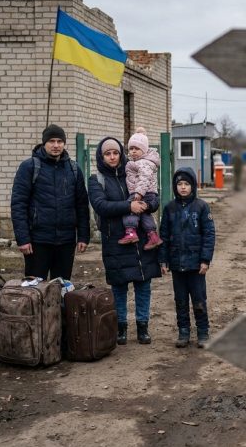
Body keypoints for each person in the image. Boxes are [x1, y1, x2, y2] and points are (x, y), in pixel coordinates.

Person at [88, 137, 161, 345]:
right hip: (116, 240)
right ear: (101, 157)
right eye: (107, 154)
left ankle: (142, 327)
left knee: (143, 285)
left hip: (140, 238)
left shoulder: (133, 170)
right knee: (119, 287)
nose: (112, 157)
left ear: (121, 153)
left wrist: (147, 205)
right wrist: (129, 207)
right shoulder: (97, 179)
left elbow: (153, 196)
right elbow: (101, 206)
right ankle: (120, 328)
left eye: (115, 153)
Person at [10, 124, 89, 280]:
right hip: (38, 240)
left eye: (60, 141)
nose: (56, 145)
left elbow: (81, 205)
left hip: (66, 241)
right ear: (44, 143)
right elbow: (19, 204)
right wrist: (23, 238)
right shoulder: (29, 167)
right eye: (51, 141)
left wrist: (83, 236)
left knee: (61, 287)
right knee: (34, 288)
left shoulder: (73, 169)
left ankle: (59, 306)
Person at [159, 167, 216, 348]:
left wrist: (205, 260)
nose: (183, 187)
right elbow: (164, 236)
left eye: (187, 184)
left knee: (199, 299)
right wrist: (163, 260)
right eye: (179, 184)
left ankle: (203, 332)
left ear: (193, 186)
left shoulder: (201, 207)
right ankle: (183, 332)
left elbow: (209, 235)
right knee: (180, 300)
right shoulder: (169, 208)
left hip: (196, 265)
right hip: (177, 264)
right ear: (175, 187)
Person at [118, 131, 163, 250]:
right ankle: (153, 236)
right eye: (131, 148)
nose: (133, 151)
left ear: (144, 150)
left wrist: (139, 192)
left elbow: (145, 177)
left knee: (130, 209)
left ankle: (130, 232)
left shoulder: (143, 163)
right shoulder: (141, 161)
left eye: (136, 148)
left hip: (142, 192)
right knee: (145, 214)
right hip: (148, 193)